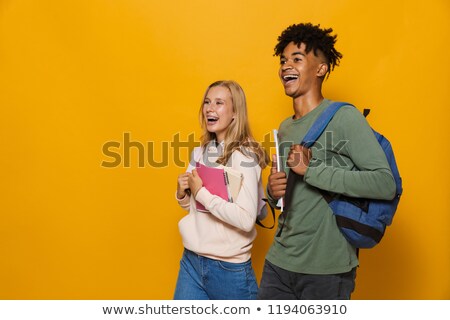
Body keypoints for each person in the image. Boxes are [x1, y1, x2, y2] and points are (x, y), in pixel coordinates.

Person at [258, 23, 396, 300]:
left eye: (297, 59)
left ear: (321, 69)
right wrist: (272, 193)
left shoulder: (345, 118)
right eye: (283, 60)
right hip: (279, 262)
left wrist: (312, 169)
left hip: (326, 269)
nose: (286, 66)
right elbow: (288, 198)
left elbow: (384, 183)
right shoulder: (284, 128)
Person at [174, 80, 269, 300]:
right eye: (207, 102)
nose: (210, 108)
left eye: (219, 103)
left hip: (229, 269)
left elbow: (246, 220)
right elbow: (194, 208)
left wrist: (201, 193)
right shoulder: (201, 152)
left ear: (235, 113)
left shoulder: (245, 157)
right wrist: (182, 193)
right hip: (192, 261)